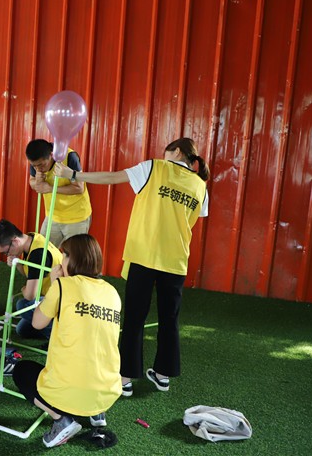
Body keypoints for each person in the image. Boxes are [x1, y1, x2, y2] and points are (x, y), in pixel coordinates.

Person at [55, 137, 209, 396]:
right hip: (176, 260)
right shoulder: (200, 186)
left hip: (144, 255)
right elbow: (193, 219)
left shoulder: (154, 167)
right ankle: (163, 376)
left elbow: (112, 177)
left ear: (176, 152)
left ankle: (125, 378)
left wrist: (73, 174)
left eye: (167, 151)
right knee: (169, 320)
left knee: (135, 318)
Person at [12, 234, 122, 447]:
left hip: (69, 389)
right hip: (108, 391)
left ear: (73, 259)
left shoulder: (63, 286)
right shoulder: (112, 292)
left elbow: (37, 323)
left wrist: (55, 284)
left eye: (64, 256)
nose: (61, 260)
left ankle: (61, 420)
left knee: (22, 371)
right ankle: (96, 412)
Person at [0, 219, 63, 340]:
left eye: (6, 252)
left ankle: (58, 334)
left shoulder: (37, 254)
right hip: (49, 294)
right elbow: (31, 274)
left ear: (15, 241)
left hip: (59, 300)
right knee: (22, 329)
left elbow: (30, 295)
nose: (7, 255)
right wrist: (18, 264)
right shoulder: (32, 238)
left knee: (22, 305)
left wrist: (25, 289)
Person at [26, 139, 92, 247]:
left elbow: (79, 188)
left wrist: (51, 188)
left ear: (51, 155)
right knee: (43, 250)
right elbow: (32, 182)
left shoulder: (69, 157)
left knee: (74, 254)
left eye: (41, 165)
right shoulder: (36, 161)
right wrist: (37, 182)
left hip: (76, 217)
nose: (38, 168)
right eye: (34, 166)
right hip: (52, 216)